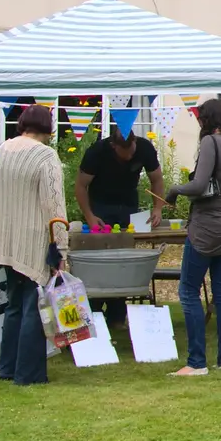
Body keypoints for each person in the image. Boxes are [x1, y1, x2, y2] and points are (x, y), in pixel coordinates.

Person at [163, 97, 221, 377]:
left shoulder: (210, 143)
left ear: (207, 120)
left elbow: (199, 184)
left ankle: (196, 362)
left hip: (205, 227)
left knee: (189, 291)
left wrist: (175, 189)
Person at [0, 105, 68, 386]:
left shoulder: (3, 149)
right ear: (48, 126)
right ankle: (28, 375)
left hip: (6, 239)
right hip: (33, 241)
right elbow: (55, 205)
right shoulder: (46, 156)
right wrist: (61, 248)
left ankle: (7, 367)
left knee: (14, 305)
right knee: (33, 306)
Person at [76, 125, 165, 328]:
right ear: (113, 146)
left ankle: (117, 316)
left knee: (123, 261)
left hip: (128, 207)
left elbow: (157, 179)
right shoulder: (97, 152)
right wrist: (90, 216)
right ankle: (95, 314)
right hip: (100, 207)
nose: (128, 158)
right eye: (124, 154)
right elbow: (80, 186)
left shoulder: (144, 148)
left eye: (131, 153)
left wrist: (158, 208)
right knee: (100, 262)